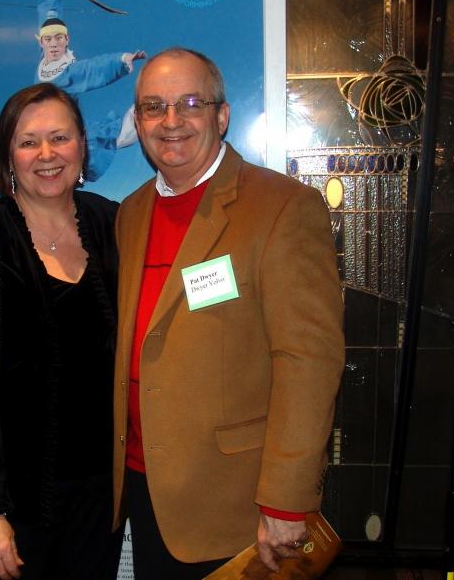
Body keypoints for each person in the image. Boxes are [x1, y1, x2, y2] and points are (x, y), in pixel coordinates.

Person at [112, 47, 345, 579]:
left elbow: (308, 361)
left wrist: (286, 502)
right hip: (147, 490)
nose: (170, 121)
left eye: (190, 103)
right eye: (153, 107)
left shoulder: (282, 207)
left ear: (222, 115)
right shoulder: (131, 213)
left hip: (238, 502)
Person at [0, 82, 122, 580]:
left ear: (82, 145)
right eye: (28, 141)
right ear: (6, 157)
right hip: (12, 503)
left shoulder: (112, 223)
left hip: (101, 494)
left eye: (60, 137)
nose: (47, 154)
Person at [33, 0, 145, 180]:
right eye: (48, 39)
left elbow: (93, 69)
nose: (54, 44)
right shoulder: (46, 59)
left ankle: (142, 119)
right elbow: (48, 18)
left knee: (98, 141)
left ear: (67, 39)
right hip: (45, 130)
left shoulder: (68, 73)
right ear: (41, 42)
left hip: (64, 132)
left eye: (59, 38)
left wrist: (121, 59)